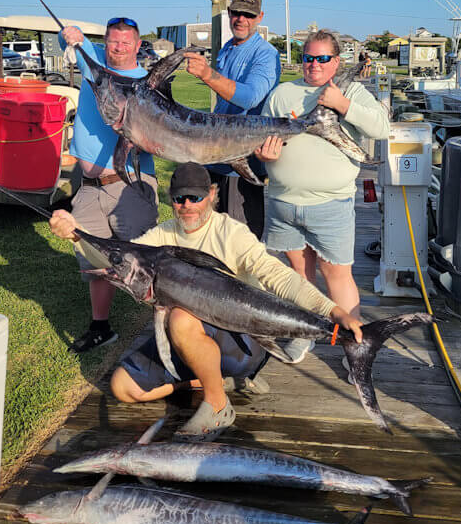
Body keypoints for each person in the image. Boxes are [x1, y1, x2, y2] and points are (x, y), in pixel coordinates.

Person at [49, 162, 363, 441]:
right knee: (123, 387)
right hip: (192, 340)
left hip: (243, 339)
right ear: (171, 199)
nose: (187, 206)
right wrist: (78, 235)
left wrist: (335, 313)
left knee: (181, 318)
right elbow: (120, 257)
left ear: (212, 195)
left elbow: (278, 276)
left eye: (195, 198)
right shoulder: (162, 236)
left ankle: (217, 405)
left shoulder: (232, 232)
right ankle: (215, 379)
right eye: (179, 198)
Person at [255, 30, 389, 323]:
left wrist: (343, 105)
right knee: (297, 277)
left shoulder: (350, 91)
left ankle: (354, 342)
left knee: (336, 275)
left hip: (331, 205)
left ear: (336, 61)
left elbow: (381, 128)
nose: (314, 64)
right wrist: (262, 154)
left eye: (322, 58)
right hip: (283, 203)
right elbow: (259, 138)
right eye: (308, 58)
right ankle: (304, 336)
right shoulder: (281, 94)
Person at [58, 16, 159, 353]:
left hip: (130, 184)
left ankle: (170, 330)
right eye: (112, 41)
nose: (118, 47)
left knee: (144, 261)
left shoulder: (144, 82)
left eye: (125, 42)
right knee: (95, 261)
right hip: (88, 186)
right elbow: (71, 45)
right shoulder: (95, 66)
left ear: (137, 45)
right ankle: (100, 327)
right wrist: (67, 35)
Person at [183, 0, 280, 238]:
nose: (241, 19)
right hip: (214, 159)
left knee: (241, 242)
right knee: (209, 235)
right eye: (237, 13)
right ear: (229, 13)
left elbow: (250, 97)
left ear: (260, 17)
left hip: (243, 163)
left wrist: (206, 74)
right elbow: (223, 103)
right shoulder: (227, 48)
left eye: (248, 15)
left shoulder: (266, 54)